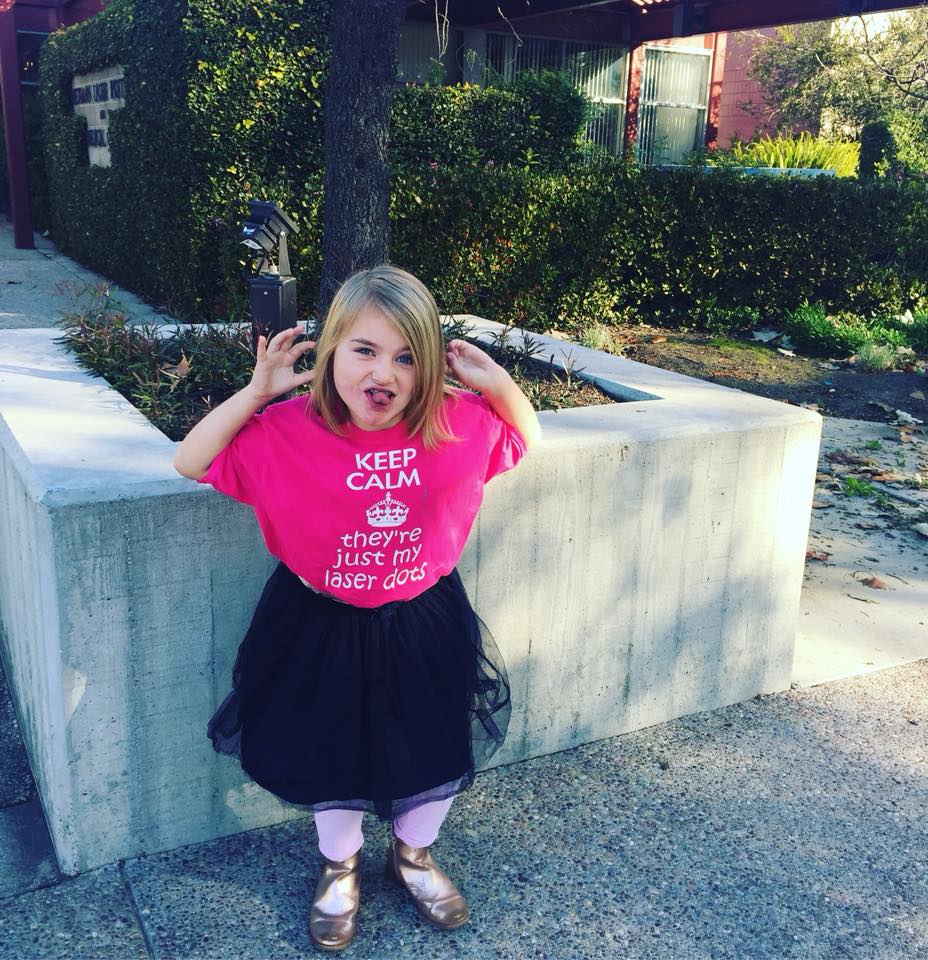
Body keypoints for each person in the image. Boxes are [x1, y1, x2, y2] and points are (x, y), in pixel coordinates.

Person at [173, 264, 541, 951]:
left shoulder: (456, 423)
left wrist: (500, 385)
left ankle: (414, 855)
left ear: (429, 365)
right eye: (365, 350)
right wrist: (255, 392)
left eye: (406, 356)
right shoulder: (286, 430)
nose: (386, 372)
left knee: (431, 748)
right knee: (331, 752)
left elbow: (525, 439)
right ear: (332, 350)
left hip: (424, 621)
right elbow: (191, 461)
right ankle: (339, 865)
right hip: (319, 625)